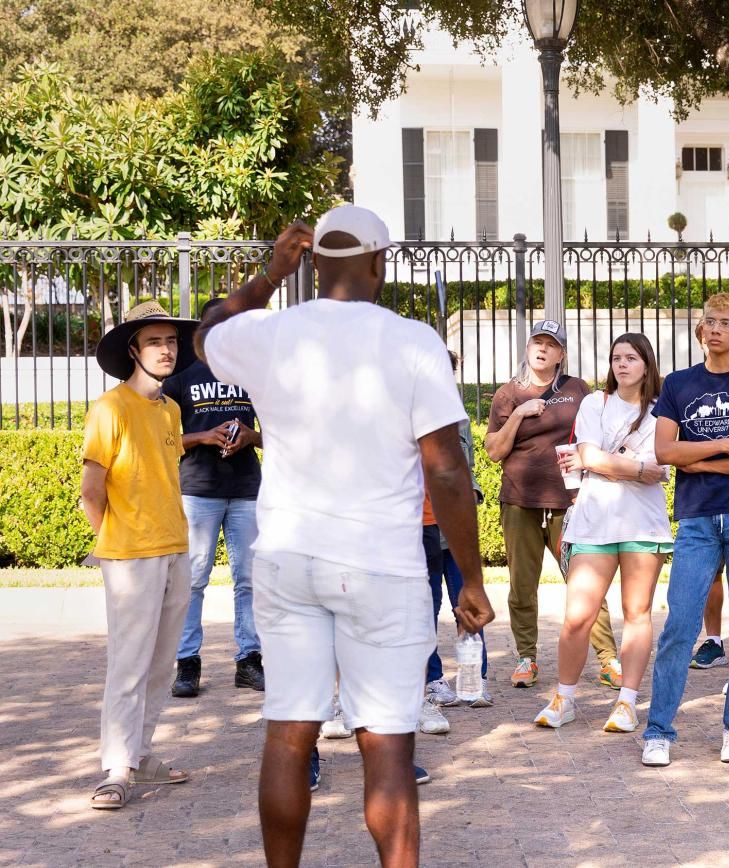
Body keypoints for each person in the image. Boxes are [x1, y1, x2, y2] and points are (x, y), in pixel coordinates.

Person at [197, 208, 495, 867]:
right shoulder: (413, 341)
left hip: (288, 559)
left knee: (288, 737)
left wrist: (273, 273)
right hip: (380, 567)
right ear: (379, 262)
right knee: (387, 747)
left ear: (315, 263)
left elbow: (208, 333)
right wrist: (470, 577)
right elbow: (445, 467)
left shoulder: (273, 333)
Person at [640, 293, 729, 767]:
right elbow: (664, 452)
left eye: (726, 323)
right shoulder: (678, 384)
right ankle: (658, 731)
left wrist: (698, 457)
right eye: (709, 322)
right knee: (679, 625)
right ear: (700, 330)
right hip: (697, 518)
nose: (715, 329)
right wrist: (726, 446)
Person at [81, 301, 199, 810]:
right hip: (131, 556)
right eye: (155, 342)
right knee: (128, 665)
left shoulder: (170, 410)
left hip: (176, 548)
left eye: (171, 341)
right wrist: (113, 546)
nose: (166, 349)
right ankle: (116, 767)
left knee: (161, 663)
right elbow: (92, 489)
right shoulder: (110, 408)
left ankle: (141, 750)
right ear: (133, 350)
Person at [535, 334, 672, 733]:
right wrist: (636, 469)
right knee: (577, 616)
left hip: (642, 523)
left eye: (631, 358)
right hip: (594, 521)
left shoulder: (663, 410)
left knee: (636, 613)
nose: (622, 364)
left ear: (647, 363)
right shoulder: (595, 402)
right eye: (616, 358)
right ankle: (565, 697)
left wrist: (609, 464)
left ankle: (627, 702)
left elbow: (661, 466)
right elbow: (589, 456)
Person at [485, 320, 619, 690]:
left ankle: (608, 659)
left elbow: (600, 436)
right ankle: (526, 657)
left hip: (570, 501)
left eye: (550, 344)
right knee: (521, 585)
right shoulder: (507, 394)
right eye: (536, 343)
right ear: (528, 349)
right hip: (520, 501)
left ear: (561, 354)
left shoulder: (577, 390)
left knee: (586, 582)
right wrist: (518, 414)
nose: (542, 349)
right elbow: (494, 452)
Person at [162, 299, 265, 699]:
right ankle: (187, 665)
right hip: (198, 489)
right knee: (193, 580)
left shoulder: (254, 375)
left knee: (249, 579)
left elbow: (281, 434)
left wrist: (251, 436)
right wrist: (203, 436)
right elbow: (161, 440)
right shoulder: (180, 376)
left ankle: (249, 661)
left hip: (245, 490)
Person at [419, 351, 488, 731]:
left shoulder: (458, 419)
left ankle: (474, 680)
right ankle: (431, 682)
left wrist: (472, 492)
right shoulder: (405, 413)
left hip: (454, 533)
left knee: (469, 602)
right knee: (423, 608)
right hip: (421, 528)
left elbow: (466, 469)